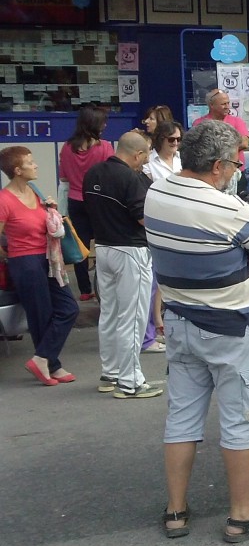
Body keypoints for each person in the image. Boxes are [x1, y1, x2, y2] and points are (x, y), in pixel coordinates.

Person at [144, 120, 249, 542]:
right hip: (231, 327)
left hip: (179, 321)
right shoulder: (228, 207)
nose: (238, 166)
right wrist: (237, 262)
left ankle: (175, 510)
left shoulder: (156, 191)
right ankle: (242, 515)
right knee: (243, 416)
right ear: (220, 166)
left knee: (182, 416)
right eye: (236, 161)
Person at [84, 132, 163, 399]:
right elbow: (143, 217)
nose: (145, 160)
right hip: (131, 250)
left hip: (104, 248)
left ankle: (111, 373)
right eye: (146, 154)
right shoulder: (130, 177)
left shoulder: (93, 173)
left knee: (110, 314)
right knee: (133, 318)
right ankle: (130, 381)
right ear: (138, 154)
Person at [0, 146, 79, 386]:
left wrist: (51, 210)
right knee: (40, 314)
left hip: (48, 257)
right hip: (24, 261)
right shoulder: (4, 200)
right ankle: (51, 365)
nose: (35, 166)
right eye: (30, 162)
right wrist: (7, 255)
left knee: (69, 308)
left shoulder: (34, 191)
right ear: (17, 170)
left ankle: (42, 358)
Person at [58, 105, 114, 300]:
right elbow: (110, 176)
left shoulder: (66, 147)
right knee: (103, 243)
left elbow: (64, 178)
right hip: (98, 200)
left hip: (75, 200)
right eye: (102, 121)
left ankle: (84, 290)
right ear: (94, 124)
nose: (105, 124)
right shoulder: (105, 147)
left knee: (79, 245)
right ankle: (102, 285)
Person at [141, 119, 183, 355]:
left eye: (178, 139)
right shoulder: (149, 164)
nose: (175, 143)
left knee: (165, 278)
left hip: (178, 220)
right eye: (171, 140)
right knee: (154, 278)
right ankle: (153, 326)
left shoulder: (181, 159)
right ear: (160, 140)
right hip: (158, 220)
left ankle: (159, 322)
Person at [194, 89, 249, 172]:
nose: (227, 106)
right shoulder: (199, 123)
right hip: (209, 172)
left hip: (235, 171)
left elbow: (244, 143)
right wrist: (231, 147)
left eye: (228, 103)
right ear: (211, 105)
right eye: (223, 104)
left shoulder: (237, 121)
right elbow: (197, 146)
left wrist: (215, 151)